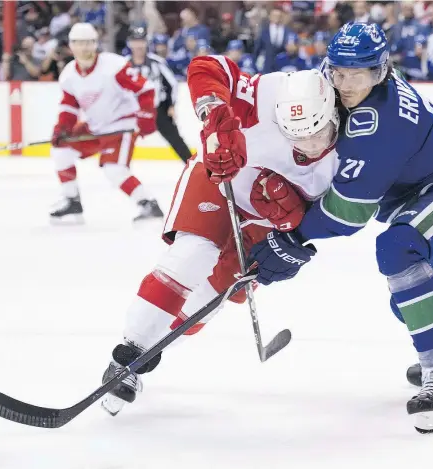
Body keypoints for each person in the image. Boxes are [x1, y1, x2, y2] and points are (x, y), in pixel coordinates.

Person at [245, 22, 433, 433]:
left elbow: (349, 214)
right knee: (410, 301)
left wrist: (295, 237)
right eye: (338, 72)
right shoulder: (337, 86)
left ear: (380, 72)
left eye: (357, 75)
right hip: (421, 191)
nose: (345, 83)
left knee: (398, 249)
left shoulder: (381, 123)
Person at [98, 60, 340, 416]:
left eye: (318, 135)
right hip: (219, 178)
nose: (307, 146)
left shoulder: (356, 145)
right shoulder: (268, 93)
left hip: (267, 218)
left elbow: (340, 215)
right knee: (192, 255)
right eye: (296, 135)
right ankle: (128, 355)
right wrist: (216, 117)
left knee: (214, 294)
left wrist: (298, 231)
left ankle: (151, 349)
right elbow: (207, 66)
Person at [49, 23, 163, 223]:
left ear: (95, 44)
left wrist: (146, 117)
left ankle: (147, 203)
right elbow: (69, 106)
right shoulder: (69, 74)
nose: (84, 48)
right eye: (79, 43)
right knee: (61, 151)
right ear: (71, 46)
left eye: (88, 43)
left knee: (114, 170)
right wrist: (62, 129)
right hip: (96, 127)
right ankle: (71, 200)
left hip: (121, 126)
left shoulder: (113, 66)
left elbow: (146, 89)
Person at [126, 26, 192, 163]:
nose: (138, 45)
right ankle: (119, 169)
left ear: (146, 42)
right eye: (135, 41)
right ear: (130, 43)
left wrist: (171, 105)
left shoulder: (157, 62)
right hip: (132, 111)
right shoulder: (124, 64)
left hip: (157, 110)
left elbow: (172, 84)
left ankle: (192, 167)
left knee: (176, 140)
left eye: (141, 41)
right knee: (123, 140)